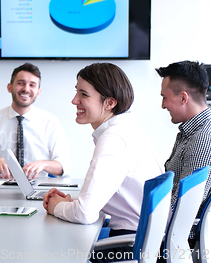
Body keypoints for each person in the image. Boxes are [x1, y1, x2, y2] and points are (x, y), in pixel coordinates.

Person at [43, 63, 162, 262]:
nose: (74, 100)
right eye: (76, 92)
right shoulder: (127, 129)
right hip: (142, 240)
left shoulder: (113, 139)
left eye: (84, 94)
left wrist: (55, 207)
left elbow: (85, 214)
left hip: (128, 245)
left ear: (109, 103)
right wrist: (70, 202)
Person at [0, 62, 71, 179]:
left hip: (40, 187)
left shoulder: (50, 122)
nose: (26, 89)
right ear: (9, 87)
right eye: (20, 83)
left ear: (38, 92)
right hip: (2, 186)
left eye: (32, 85)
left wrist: (43, 164)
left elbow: (64, 165)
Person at [156, 61, 211, 248]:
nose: (163, 105)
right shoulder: (192, 131)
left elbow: (184, 207)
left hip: (173, 242)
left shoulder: (202, 138)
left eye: (164, 97)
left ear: (183, 98)